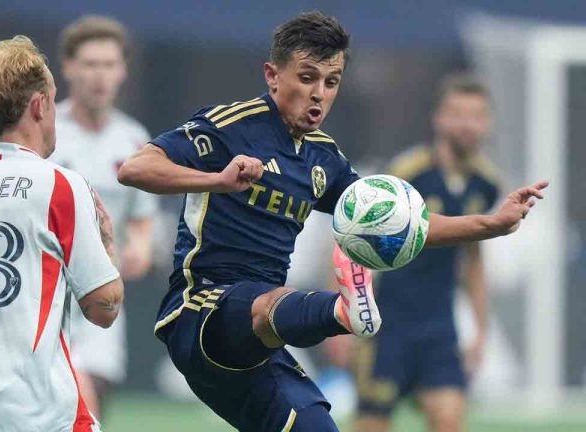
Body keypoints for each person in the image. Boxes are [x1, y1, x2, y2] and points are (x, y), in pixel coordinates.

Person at [117, 12, 546, 432]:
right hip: (202, 313)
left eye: (331, 82)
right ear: (272, 75)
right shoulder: (231, 127)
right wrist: (217, 179)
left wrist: (489, 224)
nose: (319, 93)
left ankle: (340, 310)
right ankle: (341, 310)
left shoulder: (324, 158)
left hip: (262, 346)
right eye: (307, 78)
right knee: (266, 304)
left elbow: (403, 227)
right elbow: (136, 168)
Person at [0, 36, 123, 432]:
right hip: (48, 418)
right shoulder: (59, 184)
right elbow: (104, 308)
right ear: (39, 105)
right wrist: (108, 246)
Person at [353, 73, 501, 432]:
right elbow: (355, 239)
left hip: (439, 330)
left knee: (450, 421)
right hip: (388, 327)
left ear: (488, 122)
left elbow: (474, 260)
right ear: (439, 118)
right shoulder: (408, 173)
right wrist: (347, 313)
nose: (467, 124)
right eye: (458, 113)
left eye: (477, 115)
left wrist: (480, 331)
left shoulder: (487, 184)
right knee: (371, 425)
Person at [50, 15, 157, 415]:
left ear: (122, 71)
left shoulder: (133, 139)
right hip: (48, 292)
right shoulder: (44, 132)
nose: (100, 75)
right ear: (68, 68)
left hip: (103, 294)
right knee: (71, 402)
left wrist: (141, 248)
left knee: (95, 402)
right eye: (90, 64)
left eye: (109, 64)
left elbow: (141, 218)